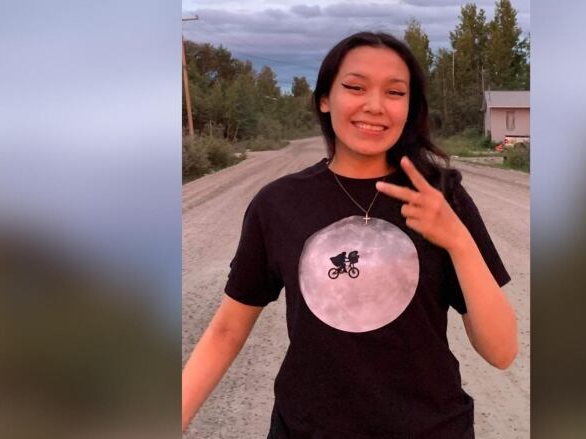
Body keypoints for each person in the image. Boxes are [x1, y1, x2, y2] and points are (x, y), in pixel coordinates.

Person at [182, 31, 518, 438]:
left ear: (410, 108)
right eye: (355, 87)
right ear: (325, 99)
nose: (374, 106)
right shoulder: (278, 204)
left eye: (395, 92)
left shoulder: (440, 198)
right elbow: (226, 331)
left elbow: (501, 351)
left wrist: (457, 239)